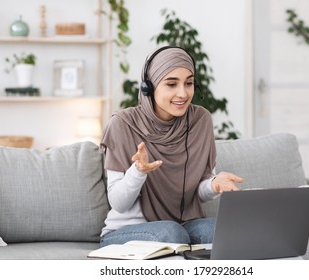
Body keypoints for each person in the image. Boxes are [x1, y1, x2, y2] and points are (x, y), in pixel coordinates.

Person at [99, 46, 243, 247]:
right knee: (171, 233)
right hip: (125, 231)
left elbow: (197, 192)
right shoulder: (123, 123)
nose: (182, 93)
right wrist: (138, 172)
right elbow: (118, 203)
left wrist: (213, 184)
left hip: (182, 224)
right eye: (171, 84)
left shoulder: (200, 120)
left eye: (189, 83)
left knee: (218, 230)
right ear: (149, 87)